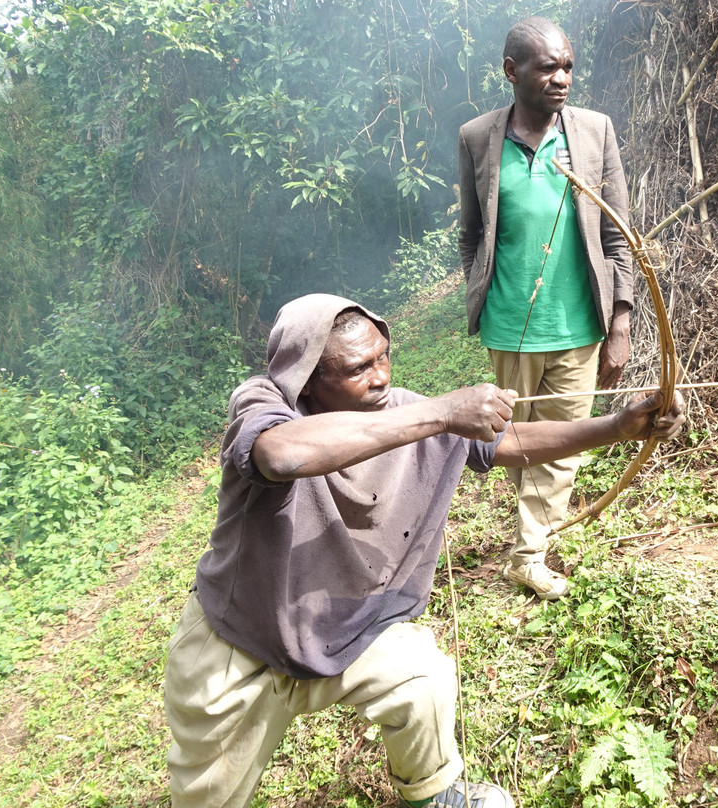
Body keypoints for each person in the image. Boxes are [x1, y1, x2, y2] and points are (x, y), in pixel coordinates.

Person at [163, 294, 684, 808]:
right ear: (306, 378)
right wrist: (441, 414)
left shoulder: (405, 411)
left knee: (421, 676)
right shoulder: (263, 404)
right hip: (237, 648)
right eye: (358, 367)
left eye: (383, 355)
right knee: (208, 797)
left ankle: (436, 796)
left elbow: (512, 441)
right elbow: (282, 453)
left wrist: (616, 428)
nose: (381, 376)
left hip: (344, 630)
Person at [458, 16, 634, 600]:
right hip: (509, 324)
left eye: (568, 67)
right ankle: (535, 524)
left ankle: (527, 553)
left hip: (580, 321)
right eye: (547, 67)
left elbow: (618, 236)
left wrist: (622, 322)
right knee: (517, 440)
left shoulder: (594, 132)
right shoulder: (478, 138)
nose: (561, 79)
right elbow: (472, 234)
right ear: (512, 72)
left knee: (565, 440)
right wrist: (480, 293)